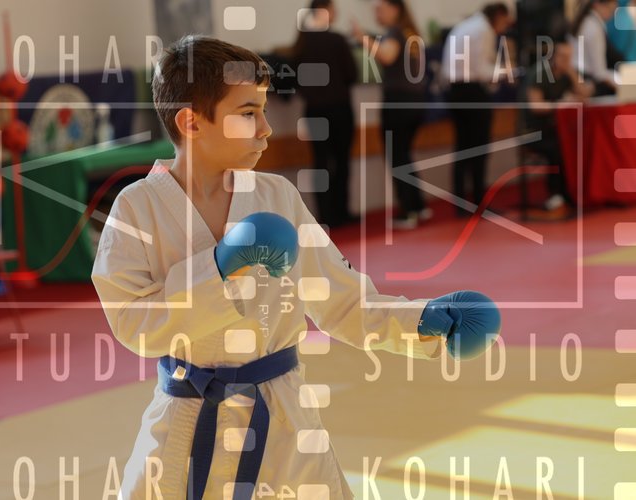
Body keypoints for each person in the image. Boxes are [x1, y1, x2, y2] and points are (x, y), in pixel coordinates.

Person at [91, 35, 501, 500]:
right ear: (191, 121)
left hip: (284, 419)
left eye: (263, 111)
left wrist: (421, 321)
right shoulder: (136, 209)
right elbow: (134, 323)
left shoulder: (276, 197)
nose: (267, 128)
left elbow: (343, 302)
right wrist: (220, 268)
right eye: (248, 113)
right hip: (185, 422)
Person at [353, 0, 431, 229]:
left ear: (395, 9)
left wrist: (362, 38)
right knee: (404, 155)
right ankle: (417, 205)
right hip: (415, 101)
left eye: (380, 8)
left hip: (399, 103)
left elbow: (387, 56)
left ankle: (409, 211)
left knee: (397, 157)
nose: (376, 13)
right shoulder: (410, 32)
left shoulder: (396, 32)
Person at [441, 3, 514, 216]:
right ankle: (479, 202)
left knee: (463, 148)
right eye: (505, 21)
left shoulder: (467, 25)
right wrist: (506, 72)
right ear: (498, 16)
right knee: (478, 149)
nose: (504, 27)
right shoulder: (483, 30)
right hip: (471, 91)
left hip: (455, 91)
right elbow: (482, 70)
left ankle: (461, 204)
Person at [292, 0, 358, 228]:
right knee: (342, 161)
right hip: (339, 108)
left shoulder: (302, 43)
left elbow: (296, 79)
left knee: (321, 162)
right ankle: (342, 211)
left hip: (314, 110)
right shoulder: (337, 40)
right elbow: (351, 74)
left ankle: (325, 214)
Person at [522, 37, 593, 216]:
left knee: (581, 143)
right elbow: (536, 106)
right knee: (558, 149)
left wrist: (572, 74)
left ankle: (576, 193)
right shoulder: (539, 73)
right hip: (535, 131)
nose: (565, 60)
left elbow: (585, 95)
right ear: (553, 56)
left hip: (558, 129)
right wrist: (561, 104)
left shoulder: (568, 74)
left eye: (569, 57)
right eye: (562, 56)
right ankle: (557, 195)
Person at [570, 0, 620, 93]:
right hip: (585, 80)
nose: (611, 16)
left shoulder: (587, 21)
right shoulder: (594, 27)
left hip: (580, 76)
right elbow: (599, 73)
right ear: (597, 5)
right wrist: (621, 83)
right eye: (610, 10)